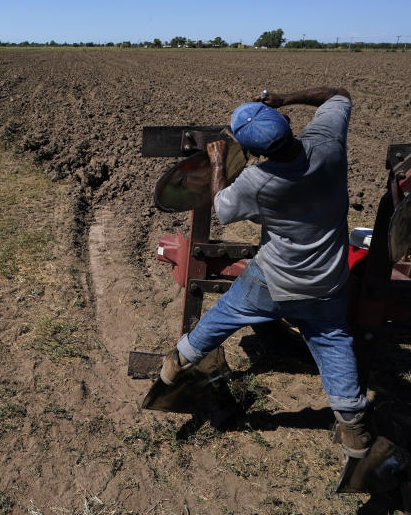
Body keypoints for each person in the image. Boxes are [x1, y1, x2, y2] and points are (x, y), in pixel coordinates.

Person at [159, 86, 371, 459]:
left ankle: (175, 366)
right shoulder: (327, 144)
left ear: (253, 153)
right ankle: (353, 426)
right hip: (327, 279)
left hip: (274, 279)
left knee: (225, 314)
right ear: (287, 126)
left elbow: (223, 207)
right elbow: (340, 95)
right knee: (334, 340)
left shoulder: (258, 182)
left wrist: (218, 159)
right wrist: (284, 98)